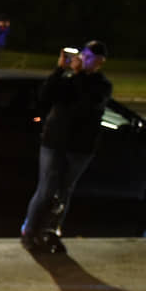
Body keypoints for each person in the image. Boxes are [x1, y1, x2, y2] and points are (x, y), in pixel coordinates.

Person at [21, 40, 112, 254]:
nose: (84, 59)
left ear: (100, 62)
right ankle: (30, 231)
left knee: (64, 192)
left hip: (80, 147)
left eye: (90, 57)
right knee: (46, 189)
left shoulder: (102, 85)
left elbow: (86, 105)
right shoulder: (68, 80)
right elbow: (45, 95)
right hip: (55, 142)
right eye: (84, 55)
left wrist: (79, 75)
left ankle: (50, 231)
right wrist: (59, 69)